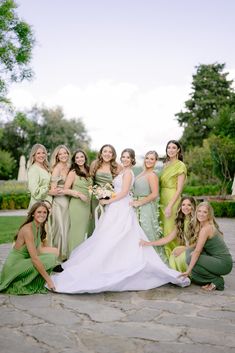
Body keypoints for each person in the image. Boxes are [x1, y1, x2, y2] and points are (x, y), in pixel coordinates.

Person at [49, 148, 190, 294]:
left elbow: (123, 193)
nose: (125, 159)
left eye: (128, 157)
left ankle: (117, 264)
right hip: (116, 206)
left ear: (132, 159)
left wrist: (108, 200)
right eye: (123, 157)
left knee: (117, 236)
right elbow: (119, 190)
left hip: (121, 206)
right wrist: (107, 196)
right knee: (106, 236)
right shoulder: (122, 171)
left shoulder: (128, 172)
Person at [0, 202, 58, 295]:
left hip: (24, 261)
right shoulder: (28, 230)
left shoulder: (38, 227)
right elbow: (35, 259)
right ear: (33, 214)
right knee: (49, 259)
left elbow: (38, 250)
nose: (42, 215)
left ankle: (35, 278)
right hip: (14, 265)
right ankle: (19, 282)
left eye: (44, 212)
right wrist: (49, 280)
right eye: (39, 212)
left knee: (51, 257)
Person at [180, 202, 233, 291]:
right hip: (219, 260)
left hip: (223, 263)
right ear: (196, 212)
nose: (201, 214)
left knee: (190, 259)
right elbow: (197, 246)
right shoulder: (204, 225)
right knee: (189, 252)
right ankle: (211, 277)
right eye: (199, 211)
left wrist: (188, 271)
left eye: (205, 212)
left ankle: (216, 280)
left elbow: (197, 252)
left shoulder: (206, 229)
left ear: (209, 214)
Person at [140, 196, 197, 272]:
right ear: (180, 206)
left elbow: (199, 243)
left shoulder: (197, 221)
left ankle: (189, 272)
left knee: (180, 254)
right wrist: (149, 243)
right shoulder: (181, 221)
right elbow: (168, 238)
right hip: (187, 249)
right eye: (183, 205)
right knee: (173, 256)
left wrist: (184, 249)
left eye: (189, 205)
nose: (186, 207)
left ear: (193, 207)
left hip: (196, 250)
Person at [131, 150, 167, 263]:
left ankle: (154, 262)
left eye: (152, 159)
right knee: (137, 235)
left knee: (147, 233)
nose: (149, 161)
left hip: (146, 208)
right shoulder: (142, 173)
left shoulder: (152, 175)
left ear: (156, 161)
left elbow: (155, 194)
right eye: (147, 158)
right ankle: (140, 261)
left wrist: (139, 203)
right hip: (137, 207)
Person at [159, 140, 187, 258]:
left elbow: (179, 189)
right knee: (162, 228)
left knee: (170, 229)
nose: (170, 150)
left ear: (178, 150)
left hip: (172, 199)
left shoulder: (180, 165)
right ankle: (164, 256)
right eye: (168, 148)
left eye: (173, 148)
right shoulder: (165, 165)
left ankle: (174, 257)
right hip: (162, 199)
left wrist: (170, 206)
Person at [63, 149, 92, 255]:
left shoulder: (89, 170)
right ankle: (72, 256)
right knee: (76, 232)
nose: (80, 159)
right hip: (77, 205)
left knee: (84, 232)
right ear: (74, 160)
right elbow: (65, 189)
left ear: (85, 158)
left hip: (87, 206)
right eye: (77, 157)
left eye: (82, 157)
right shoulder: (73, 173)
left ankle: (81, 256)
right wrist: (79, 194)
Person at [88, 144, 122, 234]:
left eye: (110, 152)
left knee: (108, 226)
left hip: (111, 199)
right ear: (101, 153)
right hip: (96, 199)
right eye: (105, 151)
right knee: (95, 222)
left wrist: (111, 196)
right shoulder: (94, 164)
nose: (107, 154)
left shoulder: (118, 167)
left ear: (113, 155)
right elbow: (90, 183)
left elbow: (120, 185)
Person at [49, 145, 71, 261]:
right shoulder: (56, 169)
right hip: (59, 202)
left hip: (68, 201)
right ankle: (55, 258)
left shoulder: (69, 167)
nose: (63, 155)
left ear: (68, 154)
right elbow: (53, 190)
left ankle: (65, 255)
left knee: (66, 229)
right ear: (57, 156)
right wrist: (69, 191)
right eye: (60, 154)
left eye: (65, 153)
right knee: (59, 230)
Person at [27, 144, 60, 209]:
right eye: (38, 153)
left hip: (49, 204)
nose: (41, 155)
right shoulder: (33, 169)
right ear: (34, 155)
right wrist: (50, 192)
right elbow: (35, 192)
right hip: (39, 205)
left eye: (43, 153)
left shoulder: (46, 167)